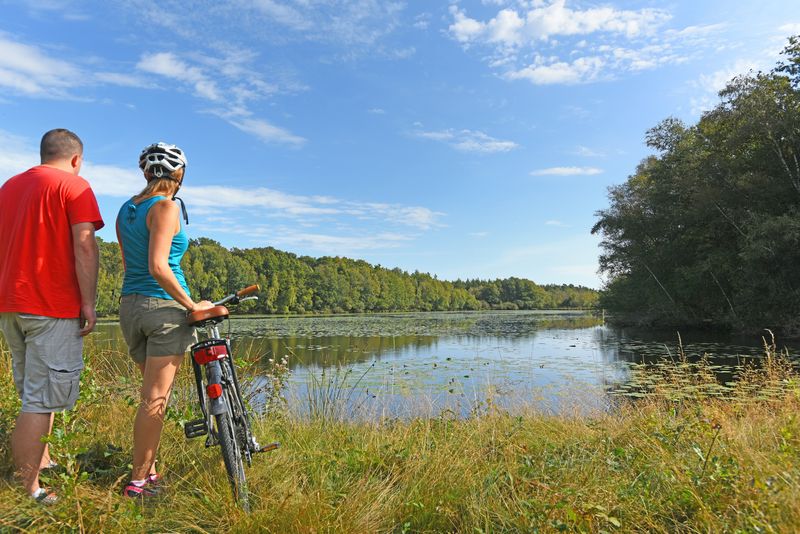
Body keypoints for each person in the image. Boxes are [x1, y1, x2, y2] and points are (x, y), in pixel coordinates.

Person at [0, 129, 104, 504]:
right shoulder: (74, 187)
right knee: (40, 400)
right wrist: (88, 303)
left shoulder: (9, 187)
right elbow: (84, 244)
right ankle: (31, 490)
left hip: (11, 305)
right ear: (76, 159)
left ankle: (41, 462)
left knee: (32, 390)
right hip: (50, 306)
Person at [116, 142, 212, 499]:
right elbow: (158, 266)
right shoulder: (166, 207)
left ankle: (150, 472)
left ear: (145, 173)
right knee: (155, 399)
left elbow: (131, 266)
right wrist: (190, 304)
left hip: (130, 308)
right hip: (164, 310)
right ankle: (138, 482)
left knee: (149, 396)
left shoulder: (127, 209)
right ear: (180, 174)